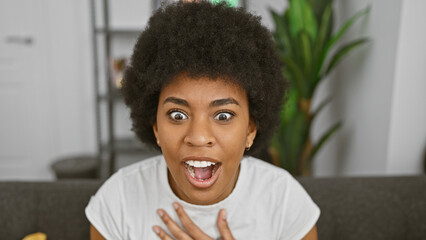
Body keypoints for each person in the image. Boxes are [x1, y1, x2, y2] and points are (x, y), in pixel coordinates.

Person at [86, 1, 320, 239]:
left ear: (250, 130)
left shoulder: (285, 204)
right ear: (155, 126)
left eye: (223, 116)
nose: (198, 137)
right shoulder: (117, 203)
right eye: (177, 115)